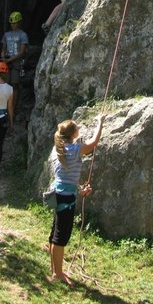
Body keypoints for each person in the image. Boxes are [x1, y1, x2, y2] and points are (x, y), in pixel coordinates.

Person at [46, 114, 104, 285]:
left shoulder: (58, 149)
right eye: (77, 128)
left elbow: (65, 176)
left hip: (57, 192)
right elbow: (93, 144)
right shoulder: (74, 149)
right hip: (65, 196)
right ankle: (57, 274)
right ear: (73, 134)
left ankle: (54, 269)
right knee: (60, 237)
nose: (79, 129)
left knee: (55, 232)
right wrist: (100, 123)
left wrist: (79, 188)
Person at [0, 11, 28, 113]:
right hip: (7, 60)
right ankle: (5, 106)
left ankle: (13, 107)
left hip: (16, 62)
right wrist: (3, 56)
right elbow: (3, 48)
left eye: (15, 23)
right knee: (5, 84)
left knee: (15, 85)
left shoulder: (23, 35)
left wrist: (9, 60)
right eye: (11, 23)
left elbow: (22, 52)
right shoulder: (6, 35)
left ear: (19, 22)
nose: (13, 25)